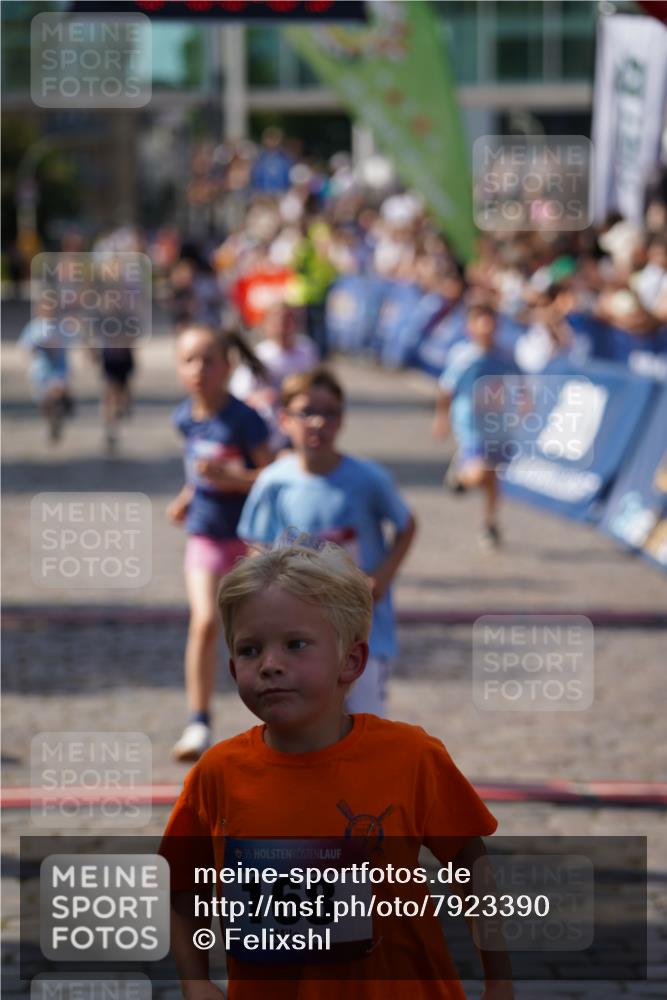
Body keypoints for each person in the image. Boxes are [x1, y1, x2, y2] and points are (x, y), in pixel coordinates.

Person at [162, 542, 513, 1000]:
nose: (270, 665)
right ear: (231, 668)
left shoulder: (412, 757)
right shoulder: (217, 774)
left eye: (295, 645)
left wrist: (500, 981)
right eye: (250, 650)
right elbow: (184, 888)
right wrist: (194, 980)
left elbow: (472, 870)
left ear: (352, 661)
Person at [237, 368, 416, 717]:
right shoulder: (274, 482)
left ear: (342, 420)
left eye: (329, 412)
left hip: (363, 633)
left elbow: (407, 526)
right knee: (304, 726)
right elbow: (256, 547)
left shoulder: (368, 478)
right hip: (294, 635)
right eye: (307, 412)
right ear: (284, 419)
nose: (318, 422)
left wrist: (381, 577)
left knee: (364, 728)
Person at [167, 324, 273, 762]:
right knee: (205, 622)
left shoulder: (245, 419)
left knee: (260, 632)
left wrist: (232, 478)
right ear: (179, 369)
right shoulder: (184, 417)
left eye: (208, 360)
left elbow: (272, 478)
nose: (199, 369)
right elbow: (197, 468)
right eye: (189, 360)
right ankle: (198, 722)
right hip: (206, 534)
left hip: (250, 540)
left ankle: (276, 721)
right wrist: (187, 497)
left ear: (227, 367)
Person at [432, 304, 520, 551]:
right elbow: (446, 389)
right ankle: (460, 477)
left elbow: (519, 381)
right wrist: (441, 418)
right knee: (481, 473)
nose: (486, 330)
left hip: (498, 425)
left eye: (491, 324)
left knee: (492, 477)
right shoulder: (463, 356)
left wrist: (523, 405)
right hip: (471, 426)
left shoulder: (505, 355)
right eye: (481, 324)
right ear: (470, 327)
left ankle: (490, 524)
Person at [228, 301, 319, 452]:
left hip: (301, 422)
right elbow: (239, 394)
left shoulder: (307, 349)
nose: (283, 325)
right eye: (278, 320)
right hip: (270, 429)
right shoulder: (261, 355)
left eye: (289, 319)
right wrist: (261, 397)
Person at [18, 299, 74, 443]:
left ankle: (63, 406)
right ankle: (52, 422)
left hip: (59, 369)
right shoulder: (34, 327)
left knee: (56, 392)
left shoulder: (62, 326)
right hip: (41, 370)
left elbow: (70, 341)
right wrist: (36, 348)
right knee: (45, 402)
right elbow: (25, 346)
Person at [97, 345, 136, 453]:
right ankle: (110, 426)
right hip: (111, 357)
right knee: (111, 393)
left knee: (120, 394)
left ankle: (115, 421)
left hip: (123, 357)